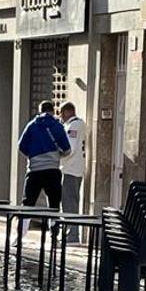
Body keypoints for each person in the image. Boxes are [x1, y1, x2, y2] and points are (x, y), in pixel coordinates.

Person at [18, 101, 71, 238]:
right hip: (52, 170)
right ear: (53, 111)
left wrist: (32, 156)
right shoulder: (58, 126)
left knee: (27, 203)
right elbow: (67, 149)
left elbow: (21, 146)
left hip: (34, 171)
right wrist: (56, 155)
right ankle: (54, 235)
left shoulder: (31, 126)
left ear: (40, 111)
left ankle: (20, 235)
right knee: (54, 204)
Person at [59, 102, 86, 242]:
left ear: (68, 112)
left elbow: (69, 149)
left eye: (62, 113)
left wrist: (55, 155)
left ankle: (72, 235)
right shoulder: (77, 124)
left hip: (70, 169)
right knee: (70, 202)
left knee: (69, 203)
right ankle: (70, 233)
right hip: (74, 169)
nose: (61, 116)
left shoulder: (74, 125)